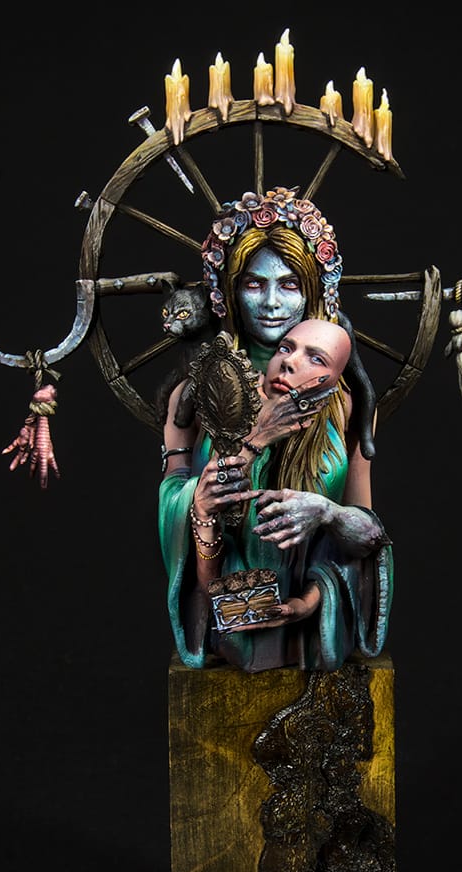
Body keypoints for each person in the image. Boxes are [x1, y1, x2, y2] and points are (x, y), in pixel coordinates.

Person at [158, 189, 393, 672]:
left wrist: (312, 596)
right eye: (253, 284)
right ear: (228, 291)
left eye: (289, 284)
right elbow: (173, 503)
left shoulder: (345, 404)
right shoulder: (195, 394)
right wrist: (197, 503)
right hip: (227, 613)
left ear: (312, 291)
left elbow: (366, 530)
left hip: (312, 630)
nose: (270, 303)